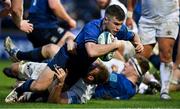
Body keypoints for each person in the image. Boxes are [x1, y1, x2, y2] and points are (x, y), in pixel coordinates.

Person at [4, 5, 144, 103]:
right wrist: (116, 44)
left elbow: (132, 36)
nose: (118, 28)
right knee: (39, 86)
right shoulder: (92, 27)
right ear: (106, 19)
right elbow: (91, 51)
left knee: (56, 91)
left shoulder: (118, 29)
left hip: (81, 68)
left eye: (120, 24)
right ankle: (20, 89)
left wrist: (138, 44)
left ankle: (30, 97)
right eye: (116, 24)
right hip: (66, 58)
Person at [128, 0, 179, 100]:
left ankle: (164, 91)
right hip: (147, 19)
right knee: (140, 56)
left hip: (169, 18)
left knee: (166, 54)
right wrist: (129, 15)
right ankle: (132, 87)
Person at [4, 59, 109, 104]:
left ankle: (24, 88)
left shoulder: (81, 94)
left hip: (50, 86)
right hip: (47, 69)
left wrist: (60, 83)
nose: (88, 64)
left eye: (91, 66)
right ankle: (21, 78)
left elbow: (54, 101)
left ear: (90, 77)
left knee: (34, 89)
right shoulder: (87, 64)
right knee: (13, 68)